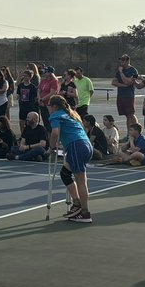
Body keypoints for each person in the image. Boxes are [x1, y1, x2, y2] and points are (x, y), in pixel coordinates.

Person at [48, 94, 95, 223]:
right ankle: (77, 202)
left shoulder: (55, 116)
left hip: (76, 147)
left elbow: (55, 133)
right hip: (85, 145)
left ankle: (85, 213)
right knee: (65, 173)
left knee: (81, 181)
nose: (48, 108)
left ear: (55, 106)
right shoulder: (71, 114)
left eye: (49, 105)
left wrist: (51, 147)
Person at [112, 54, 141, 128]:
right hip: (120, 95)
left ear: (128, 61)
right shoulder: (119, 70)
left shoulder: (133, 70)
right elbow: (114, 82)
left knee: (131, 114)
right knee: (127, 116)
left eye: (123, 60)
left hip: (129, 96)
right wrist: (123, 85)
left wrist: (121, 72)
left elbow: (128, 82)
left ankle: (137, 129)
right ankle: (129, 131)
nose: (121, 62)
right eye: (121, 60)